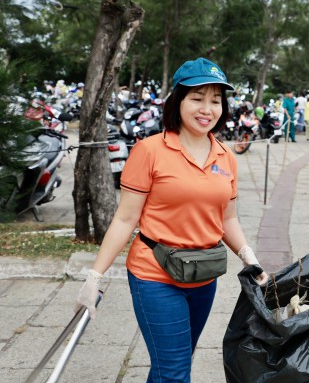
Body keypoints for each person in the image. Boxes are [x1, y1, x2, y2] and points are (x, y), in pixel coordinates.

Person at [74, 57, 269, 383]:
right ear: (178, 100)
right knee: (175, 371)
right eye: (197, 98)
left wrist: (250, 259)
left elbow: (228, 218)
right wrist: (94, 275)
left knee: (173, 365)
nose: (207, 108)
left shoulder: (226, 156)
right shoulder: (150, 151)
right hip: (155, 275)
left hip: (203, 275)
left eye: (215, 100)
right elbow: (125, 219)